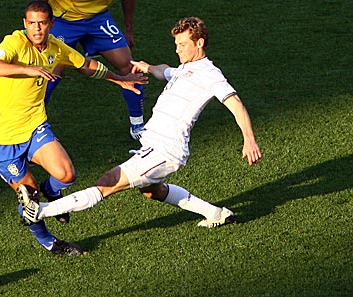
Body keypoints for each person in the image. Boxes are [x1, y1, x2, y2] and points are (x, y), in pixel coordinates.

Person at [18, 17, 262, 233]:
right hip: (154, 145)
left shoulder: (210, 74)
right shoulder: (186, 69)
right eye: (176, 45)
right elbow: (165, 72)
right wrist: (148, 67)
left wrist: (249, 139)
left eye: (183, 45)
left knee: (107, 182)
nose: (178, 50)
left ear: (199, 43)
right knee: (152, 191)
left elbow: (235, 102)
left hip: (165, 151)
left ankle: (40, 211)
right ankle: (216, 214)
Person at [0, 1, 146, 255]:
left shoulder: (57, 47)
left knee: (66, 175)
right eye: (32, 23)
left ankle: (50, 191)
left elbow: (86, 65)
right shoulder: (13, 43)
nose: (37, 29)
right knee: (28, 197)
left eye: (43, 23)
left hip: (34, 125)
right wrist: (26, 69)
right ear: (25, 24)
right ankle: (48, 241)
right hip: (1, 139)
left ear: (51, 24)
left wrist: (119, 80)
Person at [38, 0, 146, 140]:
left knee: (129, 66)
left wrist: (129, 29)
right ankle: (36, 127)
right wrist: (40, 26)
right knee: (51, 72)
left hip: (98, 19)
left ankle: (137, 126)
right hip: (64, 20)